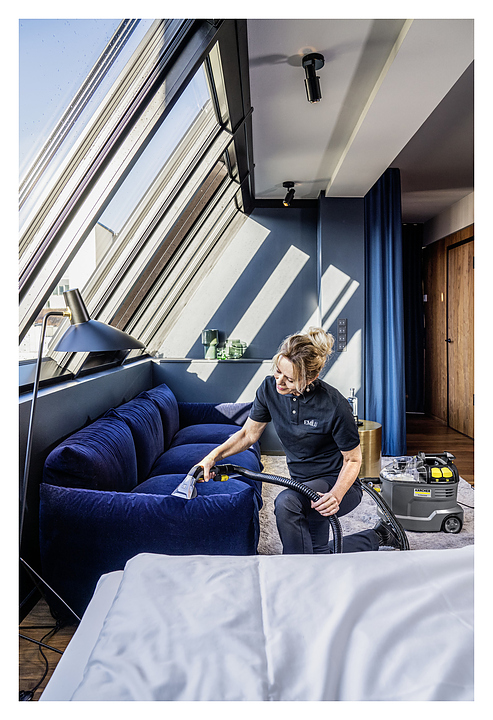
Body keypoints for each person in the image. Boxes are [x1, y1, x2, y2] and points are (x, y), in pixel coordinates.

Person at [198, 327, 402, 553]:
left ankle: (292, 570)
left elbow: (353, 460)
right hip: (301, 482)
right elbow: (248, 435)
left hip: (336, 483)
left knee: (287, 504)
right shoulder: (269, 389)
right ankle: (381, 535)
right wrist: (212, 457)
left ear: (311, 378)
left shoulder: (334, 404)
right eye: (278, 371)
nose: (280, 381)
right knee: (317, 553)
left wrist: (336, 494)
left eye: (290, 379)